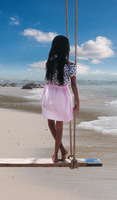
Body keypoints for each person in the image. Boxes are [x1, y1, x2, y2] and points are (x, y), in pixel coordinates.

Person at [41, 35, 80, 163]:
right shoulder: (70, 66)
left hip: (50, 93)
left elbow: (49, 80)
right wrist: (77, 101)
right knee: (59, 125)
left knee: (51, 124)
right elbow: (73, 84)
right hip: (63, 94)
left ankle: (57, 153)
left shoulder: (49, 64)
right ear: (67, 49)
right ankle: (60, 151)